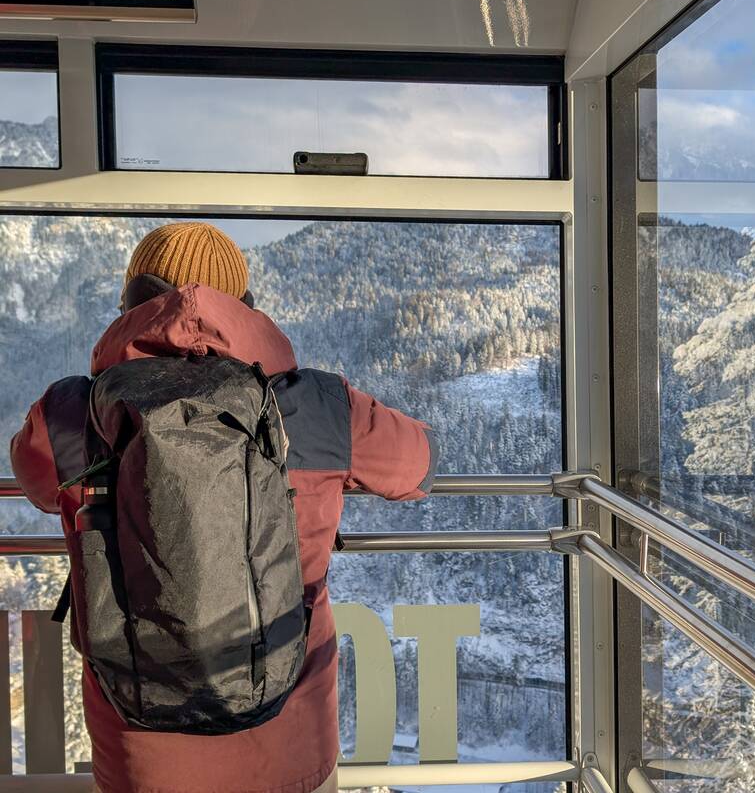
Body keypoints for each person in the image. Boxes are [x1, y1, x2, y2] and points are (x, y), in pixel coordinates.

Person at [10, 222, 437, 793]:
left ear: (130, 304)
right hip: (290, 744)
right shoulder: (319, 406)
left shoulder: (71, 413)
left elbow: (35, 481)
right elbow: (420, 466)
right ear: (246, 308)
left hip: (141, 754)